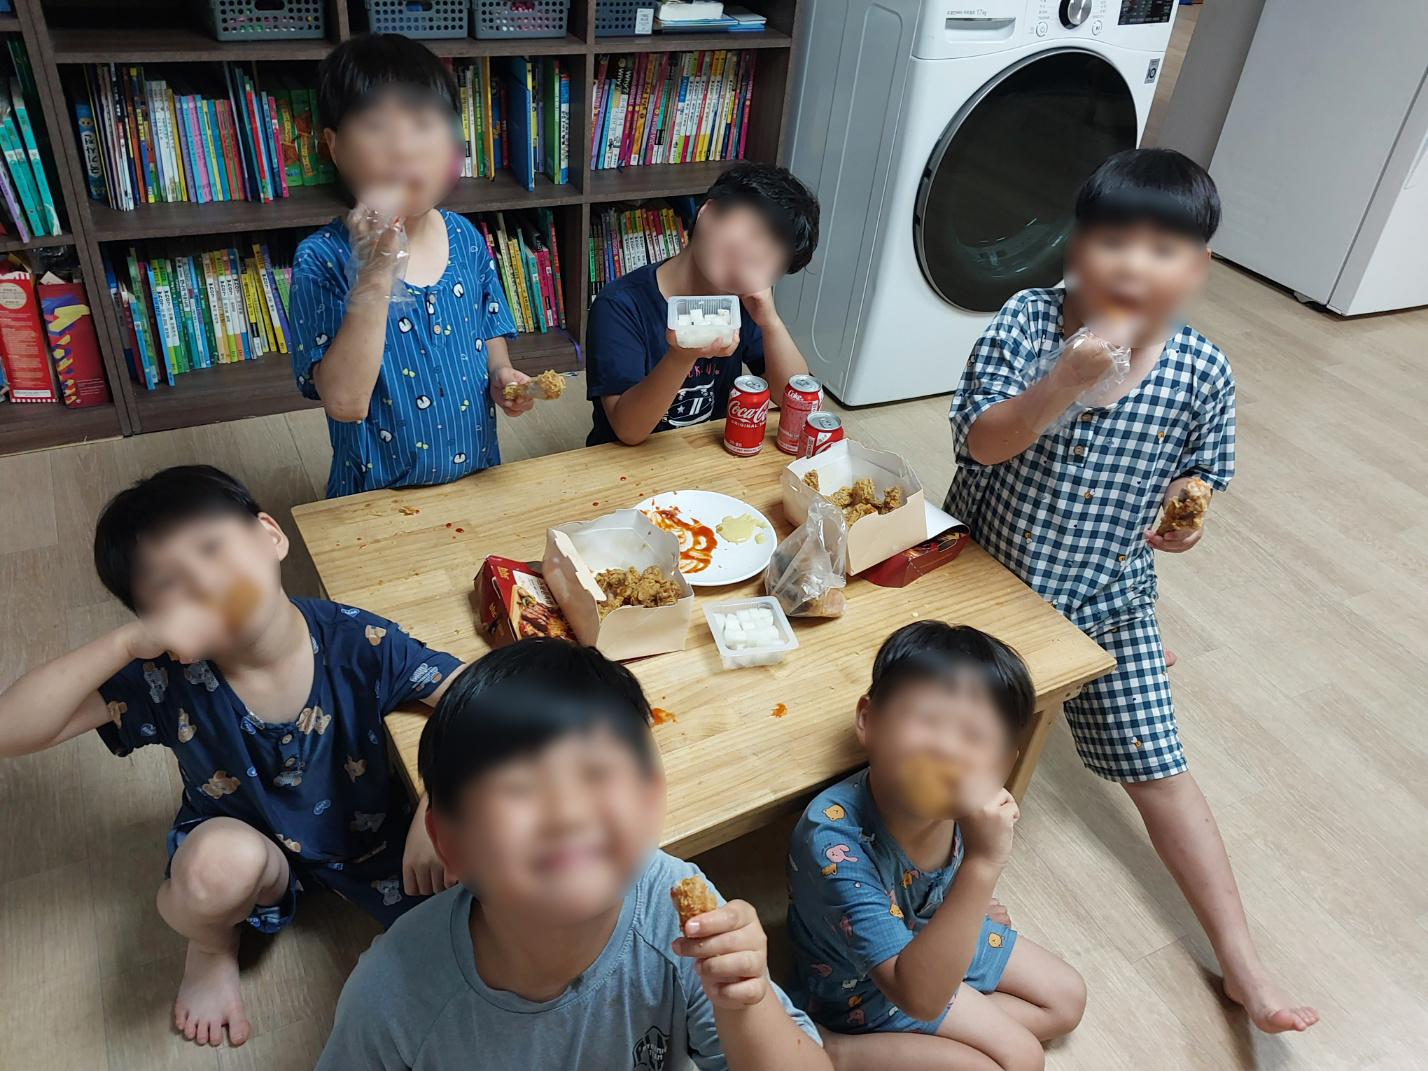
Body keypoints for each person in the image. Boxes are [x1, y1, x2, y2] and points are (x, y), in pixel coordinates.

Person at [946, 148, 1318, 1033]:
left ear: (1198, 269)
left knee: (1162, 770)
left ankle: (1242, 962)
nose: (1131, 266)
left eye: (1163, 251)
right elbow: (981, 444)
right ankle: (951, 888)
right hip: (984, 581)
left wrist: (1190, 514)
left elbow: (1202, 474)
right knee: (956, 752)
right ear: (1074, 246)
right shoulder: (1027, 324)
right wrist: (1062, 383)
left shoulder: (1201, 369)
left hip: (1109, 593)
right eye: (1111, 241)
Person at [0, 466, 465, 1048]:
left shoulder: (355, 640)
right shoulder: (163, 677)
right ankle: (211, 947)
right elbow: (11, 730)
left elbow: (473, 693)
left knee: (480, 918)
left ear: (270, 537)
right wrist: (126, 643)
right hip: (247, 845)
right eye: (167, 582)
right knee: (214, 871)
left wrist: (443, 798)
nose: (201, 581)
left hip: (376, 838)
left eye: (211, 548)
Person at [317, 638, 830, 1071]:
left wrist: (745, 1000)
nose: (566, 813)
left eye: (596, 773)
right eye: (519, 786)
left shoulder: (674, 919)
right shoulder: (391, 997)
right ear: (451, 843)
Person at [786, 622, 1086, 1070]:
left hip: (925, 935)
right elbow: (919, 998)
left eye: (974, 736)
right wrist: (982, 865)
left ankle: (935, 1014)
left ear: (1001, 766)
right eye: (927, 720)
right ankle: (836, 1051)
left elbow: (935, 885)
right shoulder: (832, 838)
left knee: (1067, 999)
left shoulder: (967, 804)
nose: (946, 748)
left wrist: (961, 907)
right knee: (1020, 1060)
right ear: (869, 719)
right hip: (865, 991)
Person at [290, 33, 531, 498]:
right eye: (376, 126)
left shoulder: (465, 237)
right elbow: (344, 402)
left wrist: (501, 373)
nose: (404, 149)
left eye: (424, 124)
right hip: (375, 494)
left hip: (477, 475)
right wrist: (375, 270)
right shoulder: (320, 259)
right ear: (335, 147)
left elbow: (487, 324)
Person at [585, 163, 819, 446]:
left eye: (772, 258)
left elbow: (794, 399)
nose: (755, 254)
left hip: (705, 450)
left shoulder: (742, 303)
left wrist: (770, 323)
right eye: (754, 232)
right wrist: (681, 357)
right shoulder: (619, 304)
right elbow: (629, 431)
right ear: (709, 212)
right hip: (624, 461)